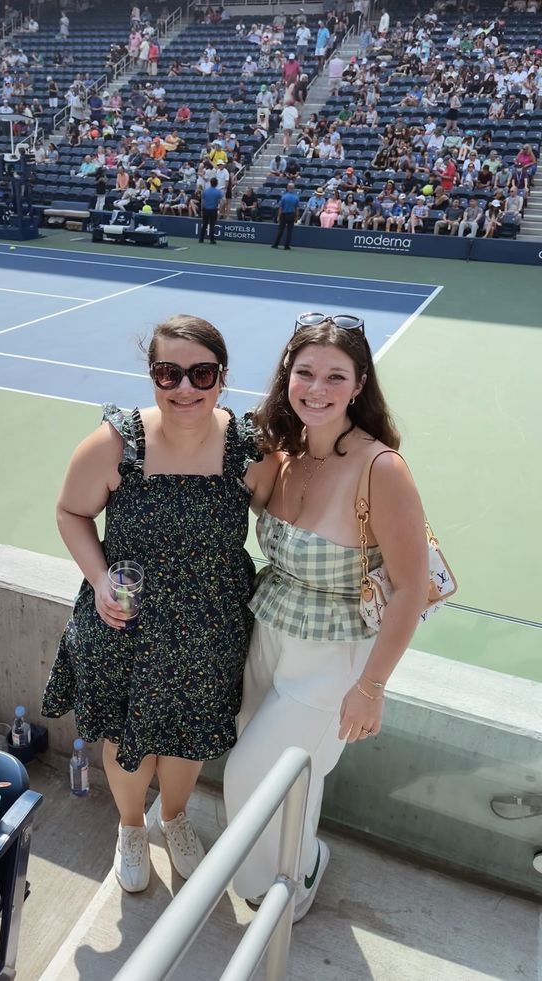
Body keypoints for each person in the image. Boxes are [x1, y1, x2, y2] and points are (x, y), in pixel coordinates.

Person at [42, 316, 278, 893]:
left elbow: (282, 520)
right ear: (152, 376)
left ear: (223, 378)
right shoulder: (116, 444)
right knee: (126, 738)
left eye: (201, 373)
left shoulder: (251, 451)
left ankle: (173, 819)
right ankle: (129, 828)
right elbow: (71, 513)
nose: (184, 388)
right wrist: (99, 580)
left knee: (190, 735)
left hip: (211, 620)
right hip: (127, 617)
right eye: (168, 373)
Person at [224, 312, 429, 921]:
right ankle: (301, 860)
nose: (316, 387)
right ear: (286, 374)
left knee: (248, 777)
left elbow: (412, 589)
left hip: (334, 659)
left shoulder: (381, 468)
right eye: (304, 371)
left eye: (335, 376)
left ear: (359, 384)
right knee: (289, 776)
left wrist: (371, 688)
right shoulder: (282, 454)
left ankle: (277, 890)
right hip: (269, 632)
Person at [272, 182, 300, 250]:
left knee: (281, 230)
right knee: (289, 231)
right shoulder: (296, 197)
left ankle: (275, 244)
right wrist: (296, 217)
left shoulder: (284, 197)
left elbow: (281, 208)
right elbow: (297, 209)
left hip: (284, 215)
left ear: (287, 188)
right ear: (293, 189)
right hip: (292, 215)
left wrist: (278, 216)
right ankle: (286, 246)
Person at [199, 176, 223, 244]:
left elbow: (202, 202)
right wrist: (220, 210)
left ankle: (201, 239)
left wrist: (201, 210)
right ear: (216, 184)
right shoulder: (218, 192)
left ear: (210, 183)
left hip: (205, 209)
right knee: (212, 225)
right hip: (213, 210)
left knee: (204, 224)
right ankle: (212, 240)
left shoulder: (206, 191)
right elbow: (222, 202)